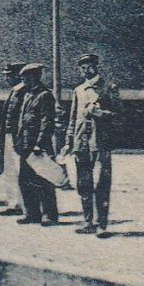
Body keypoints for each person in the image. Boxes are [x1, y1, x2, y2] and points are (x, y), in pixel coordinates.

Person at [59, 52, 123, 237]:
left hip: (100, 142)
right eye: (83, 68)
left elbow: (120, 116)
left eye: (89, 66)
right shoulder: (79, 90)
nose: (86, 70)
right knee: (83, 183)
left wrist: (102, 113)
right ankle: (88, 221)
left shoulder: (109, 88)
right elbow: (73, 119)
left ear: (96, 67)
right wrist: (68, 141)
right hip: (81, 143)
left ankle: (101, 224)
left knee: (101, 183)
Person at [13, 63, 59, 226]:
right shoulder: (27, 95)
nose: (23, 80)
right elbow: (22, 121)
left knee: (44, 180)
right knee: (25, 180)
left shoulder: (45, 95)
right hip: (25, 145)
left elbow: (47, 122)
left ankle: (49, 215)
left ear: (34, 77)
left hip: (39, 146)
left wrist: (40, 144)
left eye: (25, 77)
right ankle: (32, 213)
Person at [0, 62, 25, 216]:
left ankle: (20, 204)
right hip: (9, 136)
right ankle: (13, 203)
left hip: (17, 138)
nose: (6, 79)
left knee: (18, 170)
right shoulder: (14, 92)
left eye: (8, 75)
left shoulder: (23, 92)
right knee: (10, 171)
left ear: (17, 75)